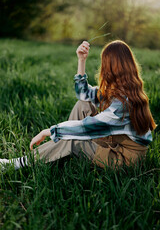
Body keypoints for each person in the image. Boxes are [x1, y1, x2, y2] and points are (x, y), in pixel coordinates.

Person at [0, 40, 156, 170]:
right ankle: (62, 148)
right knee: (83, 105)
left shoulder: (123, 105)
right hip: (117, 143)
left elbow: (85, 128)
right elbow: (83, 94)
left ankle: (17, 164)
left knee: (75, 139)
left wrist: (47, 131)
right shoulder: (123, 89)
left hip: (124, 160)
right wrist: (81, 60)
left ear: (110, 68)